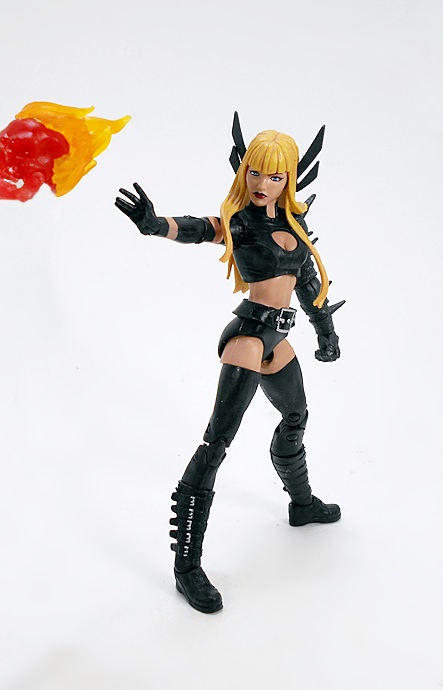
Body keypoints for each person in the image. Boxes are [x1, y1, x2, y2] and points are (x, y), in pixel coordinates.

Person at [115, 122, 343, 614]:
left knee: (296, 416)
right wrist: (156, 225)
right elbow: (201, 228)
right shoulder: (239, 221)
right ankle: (187, 567)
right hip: (247, 336)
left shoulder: (296, 230)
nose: (262, 183)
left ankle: (302, 505)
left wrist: (327, 334)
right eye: (255, 172)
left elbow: (310, 287)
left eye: (275, 176)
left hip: (278, 337)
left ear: (290, 179)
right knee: (216, 444)